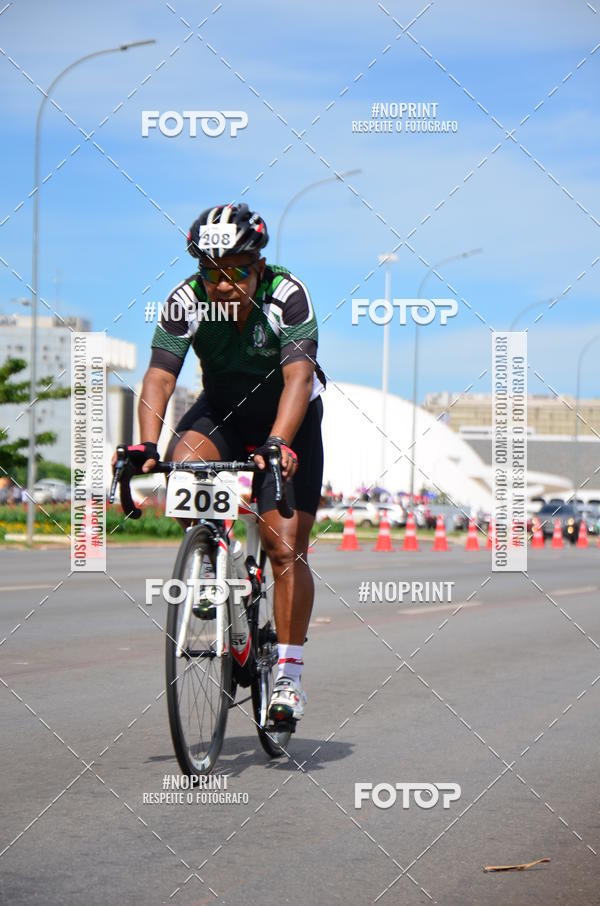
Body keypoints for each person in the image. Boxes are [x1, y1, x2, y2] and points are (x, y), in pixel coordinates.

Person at [135, 202, 325, 723]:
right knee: (180, 472)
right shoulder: (186, 299)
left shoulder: (286, 295)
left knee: (284, 548)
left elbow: (298, 378)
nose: (221, 284)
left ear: (258, 266)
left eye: (235, 271)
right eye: (210, 272)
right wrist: (146, 447)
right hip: (221, 412)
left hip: (288, 422)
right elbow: (159, 378)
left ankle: (287, 674)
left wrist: (279, 443)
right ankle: (211, 568)